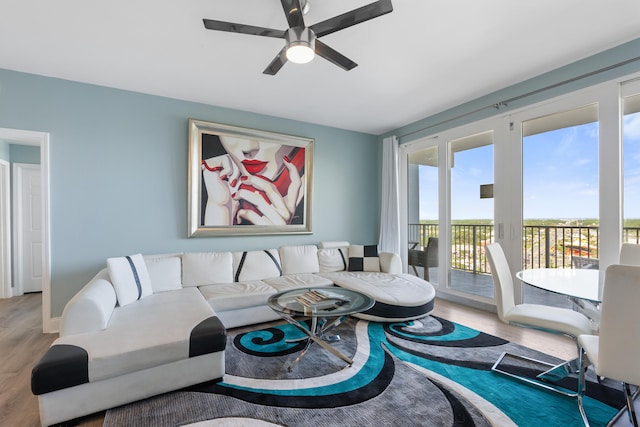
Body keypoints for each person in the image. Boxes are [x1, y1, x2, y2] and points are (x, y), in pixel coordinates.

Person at [200, 134, 305, 226]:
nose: (248, 148)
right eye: (232, 132)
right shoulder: (210, 177)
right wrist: (221, 212)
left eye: (267, 130)